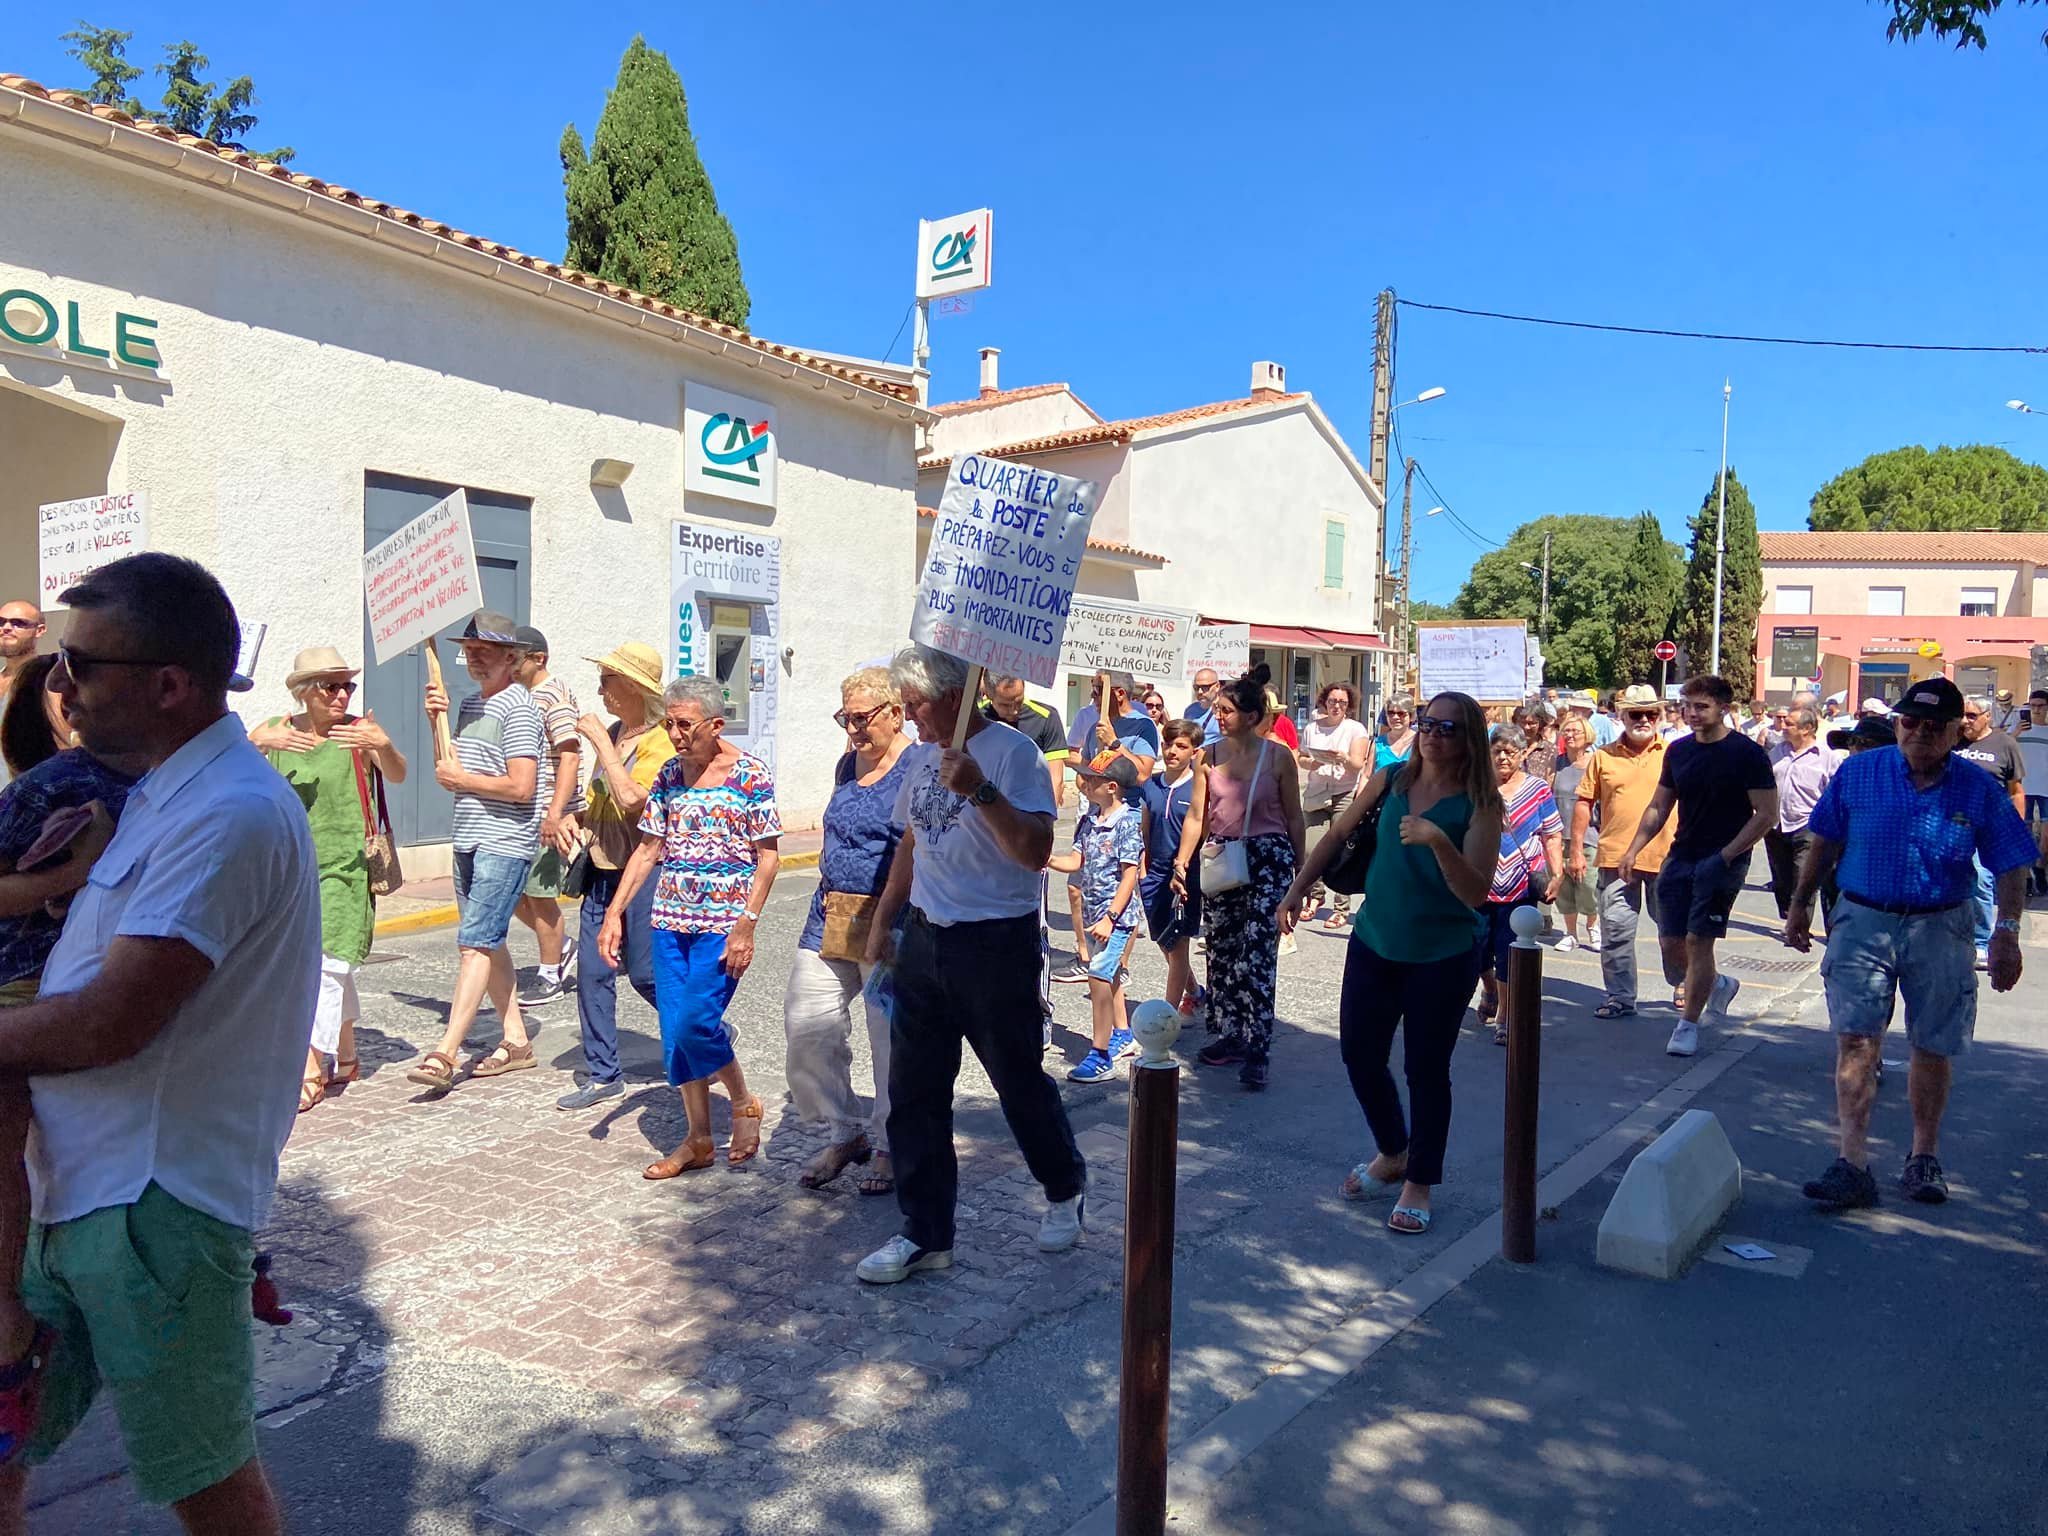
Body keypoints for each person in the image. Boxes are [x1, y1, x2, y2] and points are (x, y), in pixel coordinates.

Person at [0, 553, 318, 1533]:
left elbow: (110, 1021)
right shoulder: (159, 793)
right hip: (77, 1192)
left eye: (80, 664)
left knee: (211, 1488)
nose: (59, 684)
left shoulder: (228, 812)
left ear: (170, 684)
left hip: (151, 1212)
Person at [856, 645, 1086, 1285]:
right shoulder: (921, 757)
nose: (909, 717)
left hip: (995, 945)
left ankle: (1063, 1185)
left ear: (953, 698)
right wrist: (884, 919)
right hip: (925, 938)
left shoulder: (1015, 753)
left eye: (916, 704)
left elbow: (1035, 851)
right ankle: (926, 1233)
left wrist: (980, 791)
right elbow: (912, 840)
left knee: (1017, 1081)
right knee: (914, 1093)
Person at [1785, 676, 2032, 1210]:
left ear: (1955, 732)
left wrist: (2008, 933)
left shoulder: (1977, 787)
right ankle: (1852, 1163)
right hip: (1863, 920)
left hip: (1941, 927)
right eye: (1910, 721)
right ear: (1897, 724)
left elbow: (2013, 861)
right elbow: (1824, 839)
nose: (1920, 732)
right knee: (1856, 1040)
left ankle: (1923, 1157)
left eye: (1934, 725)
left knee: (1932, 1045)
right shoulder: (1860, 772)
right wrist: (1801, 902)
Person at [1282, 693, 1502, 1236]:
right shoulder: (1392, 779)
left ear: (1469, 738)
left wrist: (1438, 842)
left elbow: (1476, 893)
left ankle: (1418, 1182)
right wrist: (1298, 886)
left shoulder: (1480, 803)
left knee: (1426, 1071)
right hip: (1375, 940)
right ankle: (1393, 1150)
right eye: (1428, 723)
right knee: (1359, 1054)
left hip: (1442, 954)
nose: (1433, 734)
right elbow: (1338, 833)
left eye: (1448, 728)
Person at [597, 677, 778, 1177]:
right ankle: (698, 1138)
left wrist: (747, 925)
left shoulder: (750, 775)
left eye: (684, 725)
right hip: (670, 921)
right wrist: (614, 914)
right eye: (669, 724)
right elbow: (648, 848)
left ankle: (742, 1103)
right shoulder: (670, 775)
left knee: (696, 1024)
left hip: (722, 925)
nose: (675, 735)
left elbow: (768, 858)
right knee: (674, 1035)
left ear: (715, 726)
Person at [249, 646, 408, 1114]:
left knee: (328, 964)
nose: (342, 695)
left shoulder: (357, 732)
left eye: (347, 686)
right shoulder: (278, 732)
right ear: (304, 692)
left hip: (347, 866)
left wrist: (383, 745)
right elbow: (238, 784)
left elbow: (397, 775)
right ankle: (348, 1054)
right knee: (308, 963)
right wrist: (255, 743)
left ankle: (310, 1066)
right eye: (330, 687)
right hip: (291, 870)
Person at [785, 667, 910, 1194]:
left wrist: (884, 922)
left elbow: (913, 854)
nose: (853, 729)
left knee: (890, 1042)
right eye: (846, 718)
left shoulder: (916, 767)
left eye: (862, 718)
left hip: (892, 922)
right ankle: (845, 1130)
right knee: (807, 1026)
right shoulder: (846, 764)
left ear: (896, 713)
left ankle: (891, 1143)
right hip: (830, 915)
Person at [408, 612, 544, 1093]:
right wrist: (436, 722)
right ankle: (516, 1040)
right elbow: (450, 771)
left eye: (485, 650)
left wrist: (463, 779)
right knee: (487, 941)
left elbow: (522, 787)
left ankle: (446, 1052)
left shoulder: (519, 708)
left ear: (511, 658)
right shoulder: (468, 704)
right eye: (469, 650)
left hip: (504, 840)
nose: (474, 658)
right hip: (468, 835)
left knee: (474, 945)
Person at [1619, 674, 1778, 1058]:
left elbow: (1766, 814)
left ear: (1723, 709)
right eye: (1687, 706)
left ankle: (1687, 1025)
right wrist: (1633, 849)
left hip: (1724, 859)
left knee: (1698, 940)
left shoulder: (1746, 753)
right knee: (1670, 942)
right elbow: (1659, 805)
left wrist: (1726, 855)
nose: (1691, 713)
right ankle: (1717, 983)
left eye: (1701, 706)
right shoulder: (1679, 751)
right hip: (1681, 855)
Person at [555, 642, 675, 1112]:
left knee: (645, 974)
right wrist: (575, 819)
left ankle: (704, 1030)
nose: (601, 689)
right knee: (592, 973)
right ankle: (603, 1074)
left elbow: (633, 800)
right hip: (603, 871)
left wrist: (601, 747)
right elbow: (604, 801)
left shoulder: (659, 741)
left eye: (608, 680)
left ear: (634, 688)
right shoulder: (614, 731)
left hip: (644, 871)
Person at [1192, 666, 1305, 1090]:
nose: (1218, 716)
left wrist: (1301, 876)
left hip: (1268, 860)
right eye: (1218, 709)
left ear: (1252, 716)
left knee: (1256, 954)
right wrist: (1183, 863)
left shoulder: (1278, 757)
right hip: (1222, 857)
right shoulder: (1208, 756)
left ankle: (1258, 1048)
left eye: (1227, 710)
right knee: (1221, 950)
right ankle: (1230, 1033)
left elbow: (1294, 817)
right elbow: (1197, 815)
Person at [1570, 684, 1679, 1019]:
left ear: (1660, 716)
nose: (1644, 719)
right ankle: (1620, 996)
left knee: (1673, 932)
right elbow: (1584, 803)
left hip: (1667, 858)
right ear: (1622, 716)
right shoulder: (1603, 757)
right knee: (1616, 931)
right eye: (1636, 713)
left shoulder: (1674, 753)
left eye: (1651, 713)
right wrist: (1577, 849)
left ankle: (1684, 984)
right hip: (1616, 858)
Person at [1049, 754, 1144, 1083]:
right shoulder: (1090, 819)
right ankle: (1123, 1033)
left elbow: (1130, 876)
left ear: (1112, 787)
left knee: (1099, 976)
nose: (1084, 783)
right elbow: (1076, 861)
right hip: (1093, 915)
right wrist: (1046, 858)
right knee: (1110, 974)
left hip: (1115, 918)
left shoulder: (1127, 823)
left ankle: (1100, 1053)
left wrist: (1111, 918)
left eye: (1092, 780)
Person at [511, 627, 585, 1006]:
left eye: (515, 657)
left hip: (547, 814)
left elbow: (569, 755)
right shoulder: (522, 696)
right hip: (524, 813)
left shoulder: (554, 695)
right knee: (512, 893)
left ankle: (550, 974)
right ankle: (564, 947)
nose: (509, 664)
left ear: (538, 658)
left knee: (540, 895)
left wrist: (555, 814)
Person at [1478, 724, 1563, 1045]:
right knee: (1476, 948)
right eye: (1497, 751)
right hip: (1480, 882)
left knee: (1509, 951)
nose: (1503, 757)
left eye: (1510, 752)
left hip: (1520, 885)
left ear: (1521, 754)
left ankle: (1505, 1015)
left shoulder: (1537, 789)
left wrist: (1557, 874)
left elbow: (1552, 835)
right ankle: (1490, 990)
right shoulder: (1477, 786)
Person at [1139, 719, 1205, 1023]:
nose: (1172, 751)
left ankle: (1166, 1018)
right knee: (1162, 940)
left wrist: (1186, 866)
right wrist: (1142, 870)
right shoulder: (1150, 785)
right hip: (1154, 874)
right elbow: (1145, 829)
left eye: (1181, 746)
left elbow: (1202, 828)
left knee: (1178, 945)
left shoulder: (1198, 786)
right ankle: (1194, 990)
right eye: (1168, 744)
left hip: (1185, 875)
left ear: (1193, 751)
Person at [1952, 694, 2027, 964]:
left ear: (1987, 717)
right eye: (1962, 715)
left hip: (1988, 826)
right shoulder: (1952, 741)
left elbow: (2016, 791)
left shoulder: (2005, 744)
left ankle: (1981, 941)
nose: (1965, 721)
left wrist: (2017, 829)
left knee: (1982, 881)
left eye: (1972, 716)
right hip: (1951, 824)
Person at [1298, 682, 1372, 933]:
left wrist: (1344, 758)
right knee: (1310, 848)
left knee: (1342, 852)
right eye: (1332, 701)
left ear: (1349, 705)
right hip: (1317, 792)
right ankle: (1315, 896)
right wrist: (1312, 763)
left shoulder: (1355, 729)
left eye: (1342, 702)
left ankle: (1341, 908)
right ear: (1324, 702)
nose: (1336, 706)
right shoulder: (1311, 728)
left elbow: (1358, 764)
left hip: (1344, 792)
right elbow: (1301, 757)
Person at [1762, 705, 1834, 925]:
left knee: (1804, 878)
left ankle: (1799, 925)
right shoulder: (1777, 752)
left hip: (1808, 826)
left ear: (1807, 728)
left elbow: (1835, 794)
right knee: (1781, 880)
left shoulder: (1826, 758)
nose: (1783, 726)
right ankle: (1789, 916)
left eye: (1789, 723)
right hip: (1776, 826)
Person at [1549, 714, 1602, 952]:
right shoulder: (1557, 763)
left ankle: (1592, 925)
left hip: (1589, 836)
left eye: (1575, 731)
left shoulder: (1596, 762)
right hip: (1559, 836)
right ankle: (1571, 934)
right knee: (1564, 887)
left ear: (1587, 736)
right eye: (1566, 731)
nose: (1569, 735)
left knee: (1589, 886)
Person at [1067, 670, 1159, 772]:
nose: (1092, 695)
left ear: (1120, 694)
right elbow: (1083, 771)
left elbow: (1143, 773)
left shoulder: (1144, 726)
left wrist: (1114, 742)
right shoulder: (1096, 728)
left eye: (1098, 690)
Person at [0, 604, 46, 796]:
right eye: (1, 622)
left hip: (29, 798)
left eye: (18, 623)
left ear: (39, 630)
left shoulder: (49, 682)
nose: (6, 628)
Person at [1515, 704, 1558, 784]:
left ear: (1540, 724)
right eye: (1523, 722)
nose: (1526, 727)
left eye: (1531, 723)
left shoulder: (1550, 750)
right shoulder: (1508, 748)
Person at [1374, 695, 1418, 771]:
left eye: (1401, 713)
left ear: (1411, 716)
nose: (1395, 717)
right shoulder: (1377, 743)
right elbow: (1367, 775)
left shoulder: (1419, 742)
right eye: (1391, 713)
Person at [1185, 668, 1220, 736]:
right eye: (1196, 687)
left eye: (1205, 687)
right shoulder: (1190, 710)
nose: (1200, 692)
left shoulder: (1226, 710)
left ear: (1217, 687)